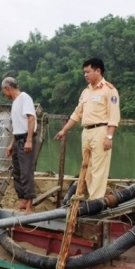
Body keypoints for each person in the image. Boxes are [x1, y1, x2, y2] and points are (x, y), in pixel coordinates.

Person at [54, 58, 120, 200]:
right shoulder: (86, 92)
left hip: (101, 131)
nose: (85, 75)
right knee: (87, 168)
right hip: (87, 132)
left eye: (87, 72)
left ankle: (95, 201)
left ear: (98, 71)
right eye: (84, 72)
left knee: (98, 169)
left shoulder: (109, 90)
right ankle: (91, 197)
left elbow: (114, 116)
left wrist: (109, 137)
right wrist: (64, 130)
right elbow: (77, 113)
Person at [2, 77, 37, 214]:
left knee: (26, 171)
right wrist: (11, 144)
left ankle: (29, 203)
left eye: (4, 91)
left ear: (7, 88)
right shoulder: (15, 102)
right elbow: (17, 126)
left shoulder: (24, 98)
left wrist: (29, 140)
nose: (5, 94)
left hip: (25, 139)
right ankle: (22, 199)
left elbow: (31, 118)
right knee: (17, 171)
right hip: (18, 139)